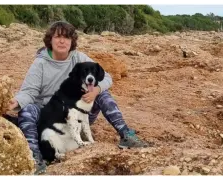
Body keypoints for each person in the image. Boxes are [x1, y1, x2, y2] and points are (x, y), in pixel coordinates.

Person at [8, 21, 148, 175]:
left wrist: (96, 90)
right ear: (50, 40)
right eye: (58, 37)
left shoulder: (79, 58)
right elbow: (29, 91)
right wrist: (18, 101)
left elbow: (106, 77)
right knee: (27, 109)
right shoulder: (40, 63)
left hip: (77, 118)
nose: (62, 41)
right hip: (50, 120)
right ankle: (35, 157)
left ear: (72, 41)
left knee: (102, 92)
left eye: (67, 37)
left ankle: (126, 135)